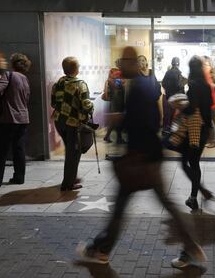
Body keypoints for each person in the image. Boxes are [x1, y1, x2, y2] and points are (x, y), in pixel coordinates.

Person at [76, 47, 207, 270]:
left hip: (140, 158)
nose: (119, 66)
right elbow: (154, 117)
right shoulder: (146, 83)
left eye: (123, 62)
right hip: (147, 156)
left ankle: (102, 249)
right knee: (139, 205)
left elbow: (143, 121)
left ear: (133, 62)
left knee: (126, 206)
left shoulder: (138, 87)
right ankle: (103, 249)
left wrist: (120, 120)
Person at [0, 53, 31, 189]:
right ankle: (19, 177)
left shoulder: (9, 75)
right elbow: (26, 98)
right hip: (23, 118)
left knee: (1, 151)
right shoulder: (24, 78)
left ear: (13, 64)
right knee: (19, 149)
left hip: (9, 118)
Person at [51, 57, 94, 191]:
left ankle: (71, 177)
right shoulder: (80, 84)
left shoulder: (58, 83)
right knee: (73, 153)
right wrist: (91, 107)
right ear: (76, 69)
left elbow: (53, 103)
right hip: (73, 123)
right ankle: (68, 184)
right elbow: (86, 105)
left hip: (59, 122)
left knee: (71, 150)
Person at [181, 56, 214, 210]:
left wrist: (180, 105)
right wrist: (209, 129)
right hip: (204, 128)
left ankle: (196, 194)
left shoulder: (193, 85)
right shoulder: (206, 85)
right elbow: (208, 109)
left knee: (187, 163)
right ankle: (196, 194)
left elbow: (192, 108)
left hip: (193, 129)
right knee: (194, 162)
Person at [162, 57, 186, 132]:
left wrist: (168, 90)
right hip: (177, 98)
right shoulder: (178, 73)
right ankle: (174, 132)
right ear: (178, 63)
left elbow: (163, 83)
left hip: (169, 97)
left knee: (169, 115)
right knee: (176, 117)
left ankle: (168, 130)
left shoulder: (168, 72)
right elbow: (178, 85)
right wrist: (185, 82)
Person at [103, 66, 125, 144]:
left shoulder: (111, 81)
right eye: (115, 73)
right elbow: (106, 93)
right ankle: (116, 138)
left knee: (116, 121)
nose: (117, 75)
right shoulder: (112, 81)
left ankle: (115, 137)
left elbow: (106, 93)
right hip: (116, 103)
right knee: (116, 121)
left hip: (116, 103)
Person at [202, 56, 215, 148]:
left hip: (211, 101)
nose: (204, 65)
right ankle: (210, 139)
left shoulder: (211, 74)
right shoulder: (208, 74)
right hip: (209, 101)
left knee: (210, 122)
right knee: (208, 121)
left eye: (206, 63)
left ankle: (214, 140)